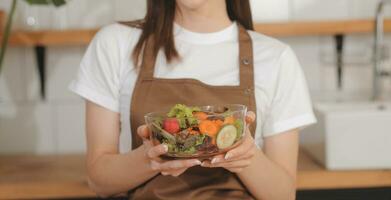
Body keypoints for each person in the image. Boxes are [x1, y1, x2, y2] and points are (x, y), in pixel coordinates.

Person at [69, 0, 316, 199]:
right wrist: (151, 159)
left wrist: (248, 155)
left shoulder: (276, 58)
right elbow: (99, 179)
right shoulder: (115, 43)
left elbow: (283, 194)